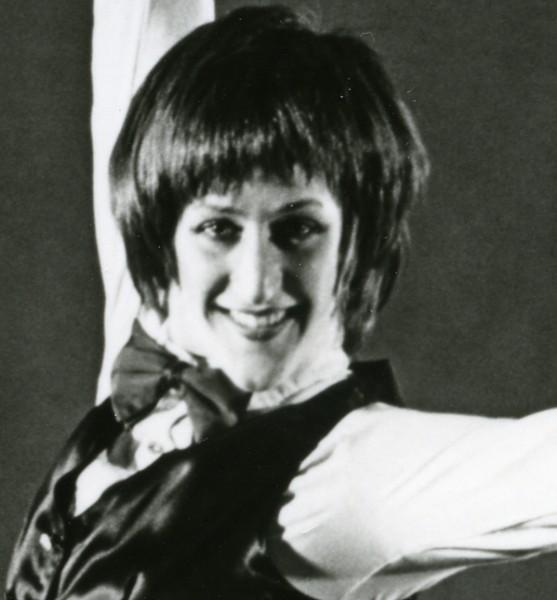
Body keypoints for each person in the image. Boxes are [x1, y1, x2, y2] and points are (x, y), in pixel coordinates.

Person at [5, 6, 557, 600]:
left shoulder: (353, 477)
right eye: (220, 229)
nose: (256, 286)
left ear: (357, 243)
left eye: (297, 230)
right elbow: (146, 21)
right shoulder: (165, 324)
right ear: (163, 238)